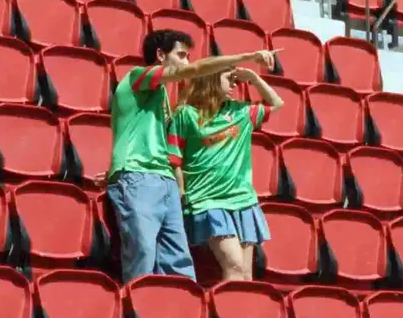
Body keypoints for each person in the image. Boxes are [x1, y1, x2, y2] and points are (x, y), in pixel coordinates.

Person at [106, 29, 278, 284]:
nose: (187, 62)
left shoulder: (164, 97)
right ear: (160, 55)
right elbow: (192, 73)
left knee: (179, 265)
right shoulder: (137, 77)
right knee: (142, 254)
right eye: (182, 55)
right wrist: (248, 56)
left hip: (164, 180)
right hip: (139, 176)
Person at [167, 67, 283, 281]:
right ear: (211, 78)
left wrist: (255, 79)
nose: (235, 84)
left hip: (243, 201)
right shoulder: (186, 114)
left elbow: (277, 104)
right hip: (207, 201)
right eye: (229, 79)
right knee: (235, 268)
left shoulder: (241, 112)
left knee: (246, 276)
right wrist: (181, 191)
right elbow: (174, 157)